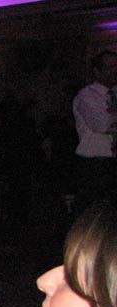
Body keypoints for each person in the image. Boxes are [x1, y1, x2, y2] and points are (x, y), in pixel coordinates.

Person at [73, 50, 117, 210]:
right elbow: (102, 124)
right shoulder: (86, 96)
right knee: (97, 215)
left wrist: (112, 114)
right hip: (96, 165)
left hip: (112, 163)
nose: (115, 70)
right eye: (110, 67)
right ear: (97, 72)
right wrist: (111, 117)